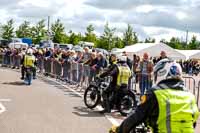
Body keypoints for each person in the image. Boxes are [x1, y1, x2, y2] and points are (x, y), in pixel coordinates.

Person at [109, 58, 200, 133]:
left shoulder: (156, 93)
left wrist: (118, 130)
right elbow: (193, 122)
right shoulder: (190, 95)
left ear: (162, 73)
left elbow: (136, 117)